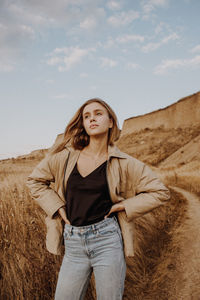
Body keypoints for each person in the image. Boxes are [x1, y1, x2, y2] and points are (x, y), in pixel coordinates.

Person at [27, 98, 170, 300]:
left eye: (98, 114)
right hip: (73, 243)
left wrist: (123, 206)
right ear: (83, 124)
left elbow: (160, 192)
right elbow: (35, 181)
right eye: (87, 116)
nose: (92, 118)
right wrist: (57, 206)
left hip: (107, 241)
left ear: (111, 121)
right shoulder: (65, 157)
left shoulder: (124, 163)